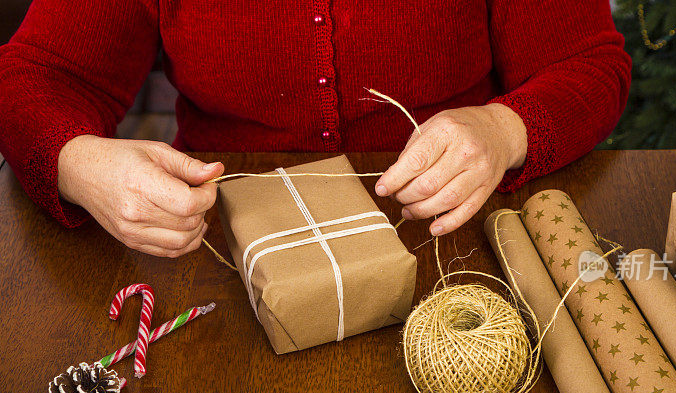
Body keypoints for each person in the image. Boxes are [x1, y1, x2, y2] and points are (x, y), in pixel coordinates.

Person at [0, 1, 630, 258]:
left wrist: (501, 129)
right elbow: (35, 74)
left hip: (452, 239)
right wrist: (77, 161)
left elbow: (589, 64)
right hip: (221, 250)